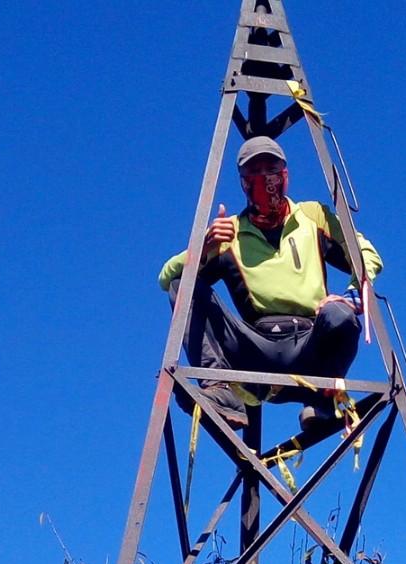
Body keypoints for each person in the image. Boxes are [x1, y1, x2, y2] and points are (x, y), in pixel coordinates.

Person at [157, 134, 384, 433]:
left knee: (339, 315)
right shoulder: (230, 233)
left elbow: (366, 254)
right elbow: (168, 278)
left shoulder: (313, 216)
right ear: (243, 181)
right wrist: (204, 247)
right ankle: (220, 389)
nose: (265, 177)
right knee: (183, 287)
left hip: (310, 344)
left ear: (285, 173)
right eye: (255, 171)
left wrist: (351, 297)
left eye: (271, 168)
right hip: (255, 350)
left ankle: (322, 398)